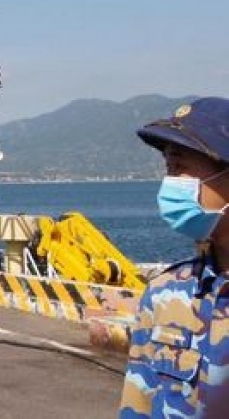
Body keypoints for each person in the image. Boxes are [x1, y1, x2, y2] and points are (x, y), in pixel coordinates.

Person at [119, 97, 229, 418]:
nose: (171, 185)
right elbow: (137, 404)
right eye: (169, 170)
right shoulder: (164, 293)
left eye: (180, 169)